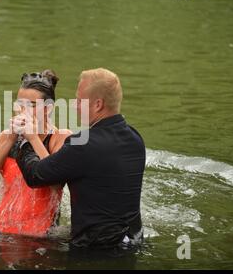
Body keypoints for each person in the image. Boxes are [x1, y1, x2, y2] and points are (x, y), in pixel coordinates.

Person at [16, 68, 146, 248]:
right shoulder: (135, 138)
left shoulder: (82, 144)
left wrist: (27, 139)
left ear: (98, 105)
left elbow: (35, 175)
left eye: (78, 101)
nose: (73, 106)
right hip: (133, 240)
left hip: (94, 251)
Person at [0, 70, 72, 237]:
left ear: (47, 109)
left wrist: (33, 138)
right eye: (20, 103)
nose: (23, 110)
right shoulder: (7, 136)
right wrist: (9, 139)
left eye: (32, 105)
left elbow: (56, 184)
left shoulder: (60, 137)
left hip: (41, 239)